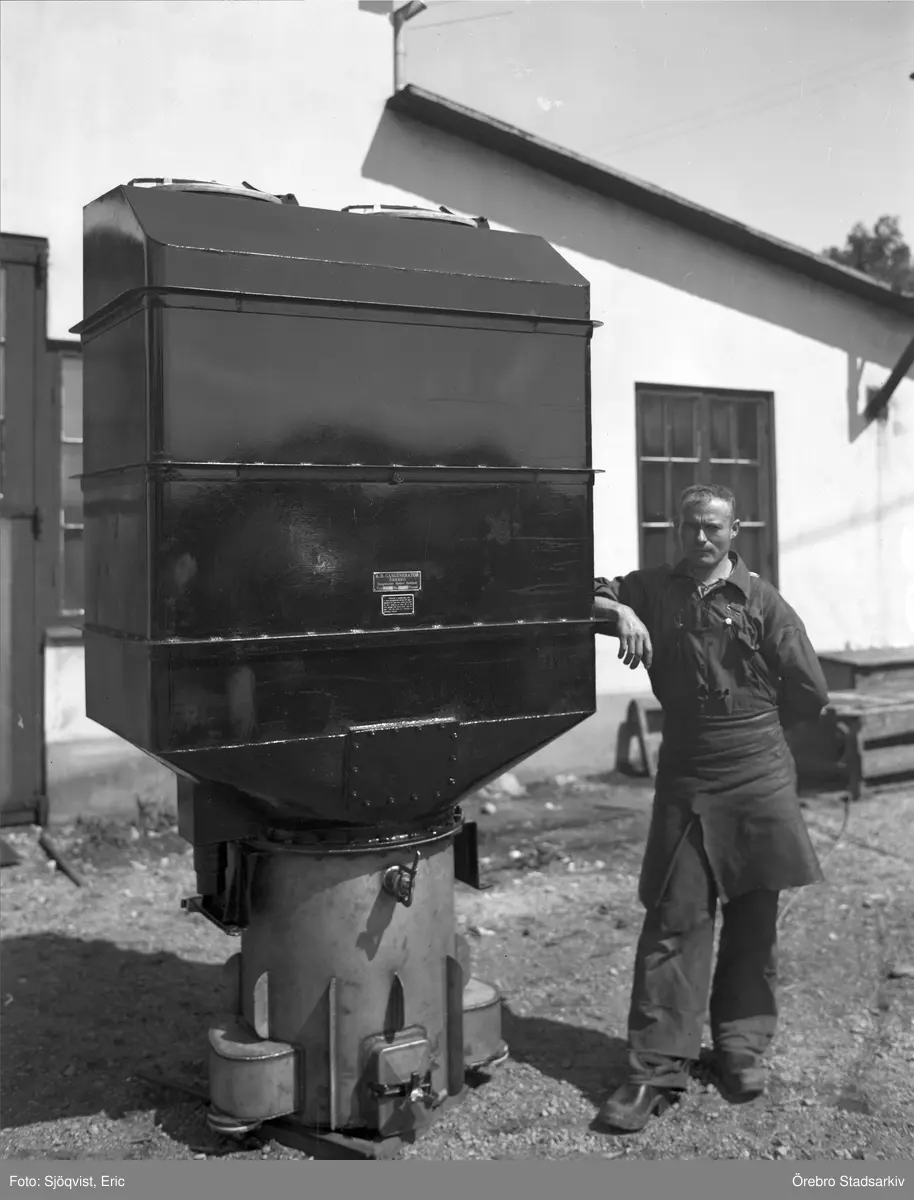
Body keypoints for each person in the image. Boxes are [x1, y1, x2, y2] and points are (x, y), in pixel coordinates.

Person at [592, 483, 830, 1133]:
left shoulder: (763, 602)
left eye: (714, 527)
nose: (701, 537)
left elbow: (809, 691)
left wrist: (755, 733)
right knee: (675, 917)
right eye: (691, 525)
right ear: (679, 528)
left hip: (756, 770)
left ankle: (739, 1049)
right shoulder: (650, 589)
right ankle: (654, 1067)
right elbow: (569, 597)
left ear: (734, 532)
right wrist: (619, 610)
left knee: (754, 917)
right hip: (686, 771)